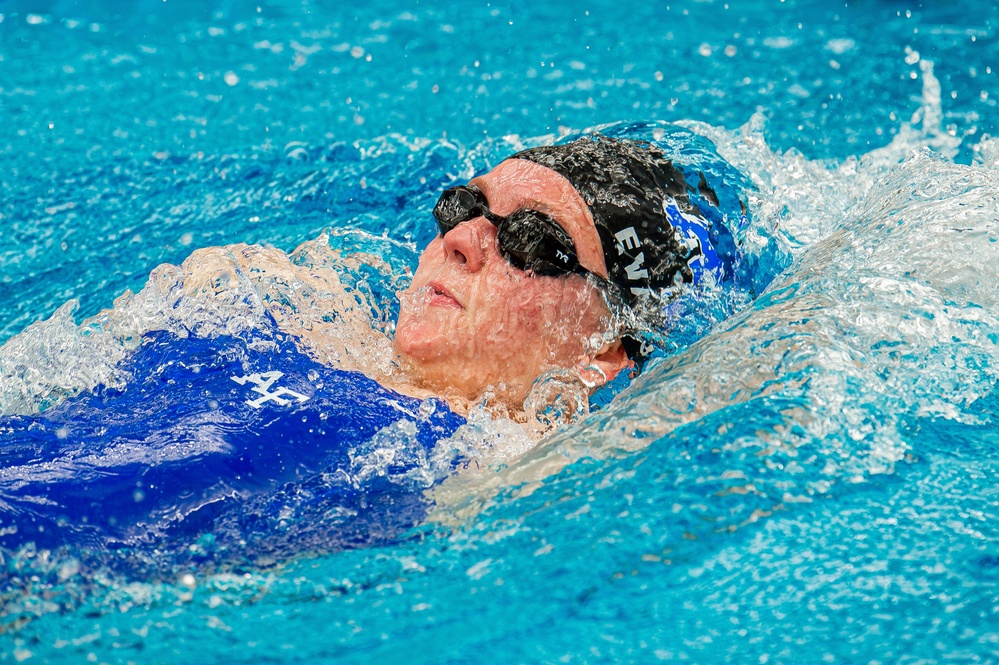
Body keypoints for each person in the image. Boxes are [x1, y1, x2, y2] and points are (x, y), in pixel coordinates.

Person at [0, 129, 745, 563]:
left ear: (604, 352)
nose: (457, 239)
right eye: (464, 205)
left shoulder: (501, 458)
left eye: (532, 239)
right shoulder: (295, 313)